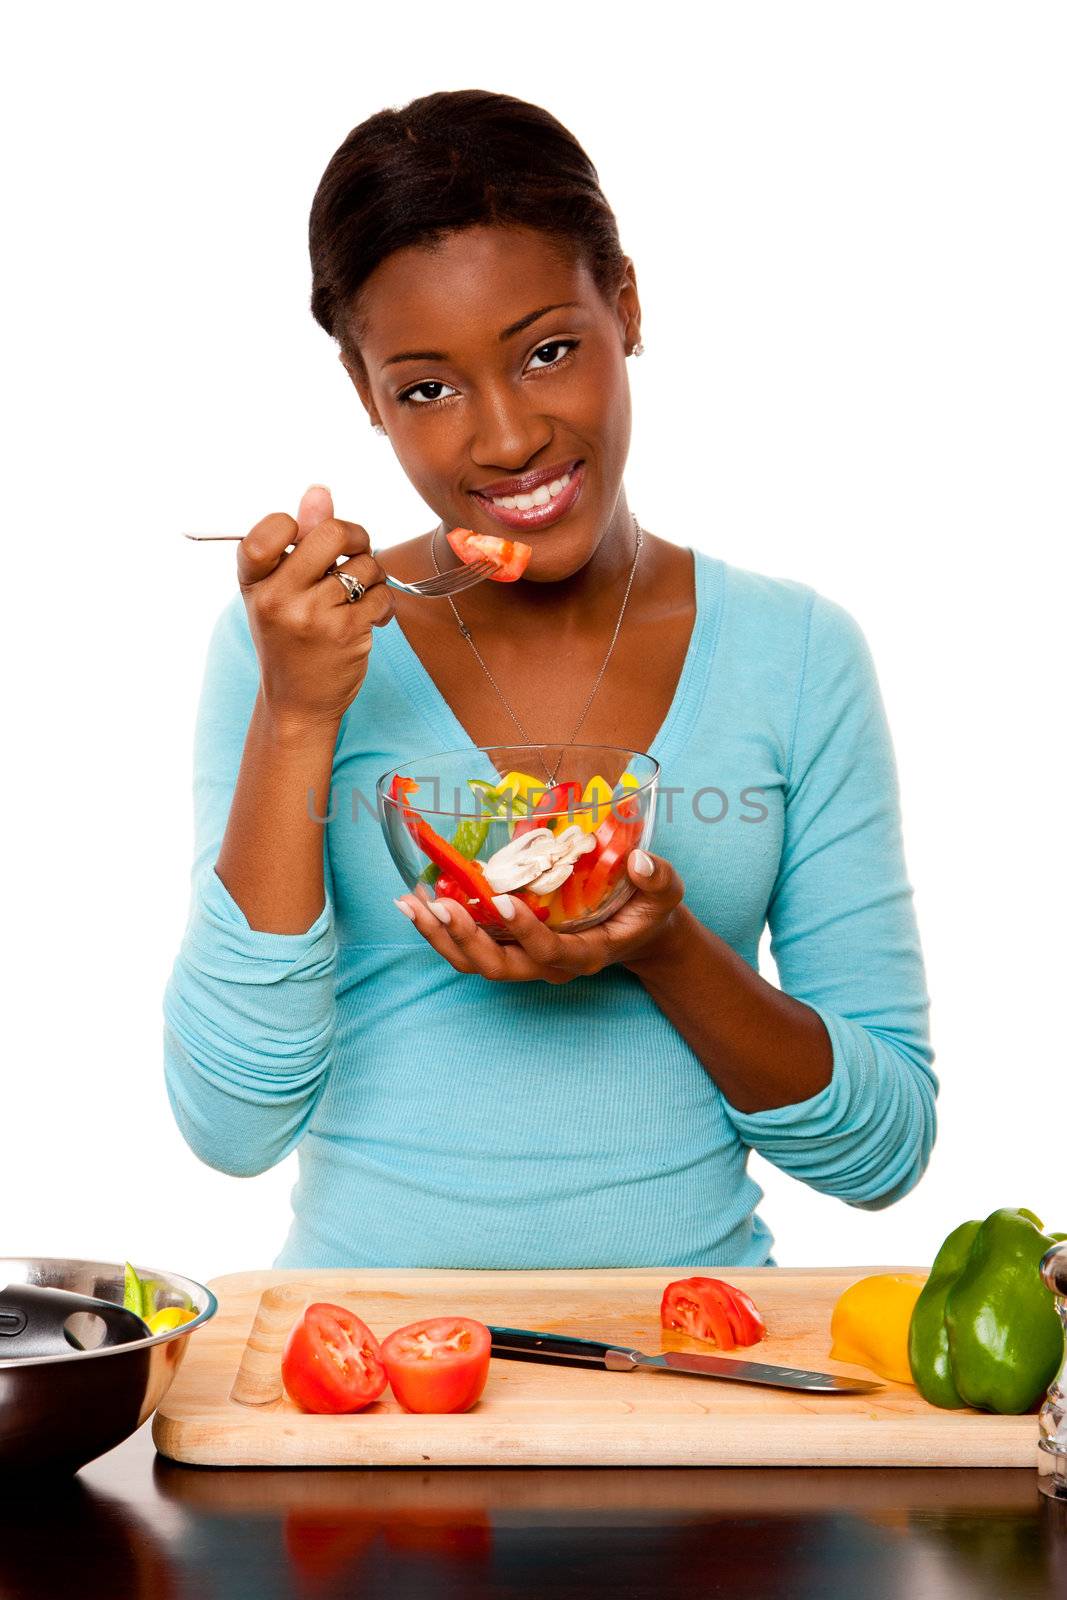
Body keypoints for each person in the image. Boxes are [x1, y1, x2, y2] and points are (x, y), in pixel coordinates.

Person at [163, 89, 937, 1269]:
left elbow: (882, 1155)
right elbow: (230, 1123)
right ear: (365, 395)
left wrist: (659, 944)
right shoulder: (291, 653)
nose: (507, 436)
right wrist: (297, 714)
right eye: (425, 386)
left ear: (624, 304)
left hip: (693, 1365)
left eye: (546, 350)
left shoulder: (795, 653)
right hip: (361, 1384)